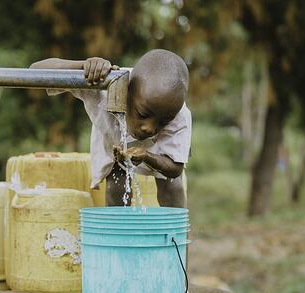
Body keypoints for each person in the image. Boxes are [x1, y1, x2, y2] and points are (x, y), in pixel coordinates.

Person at [30, 49, 191, 208]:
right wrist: (84, 66)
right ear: (128, 91)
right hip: (112, 138)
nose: (150, 128)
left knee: (171, 184)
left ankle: (176, 233)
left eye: (164, 122)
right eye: (143, 114)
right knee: (116, 180)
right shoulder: (105, 85)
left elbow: (175, 168)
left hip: (159, 150)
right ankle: (119, 231)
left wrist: (147, 157)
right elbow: (35, 71)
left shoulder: (179, 115)